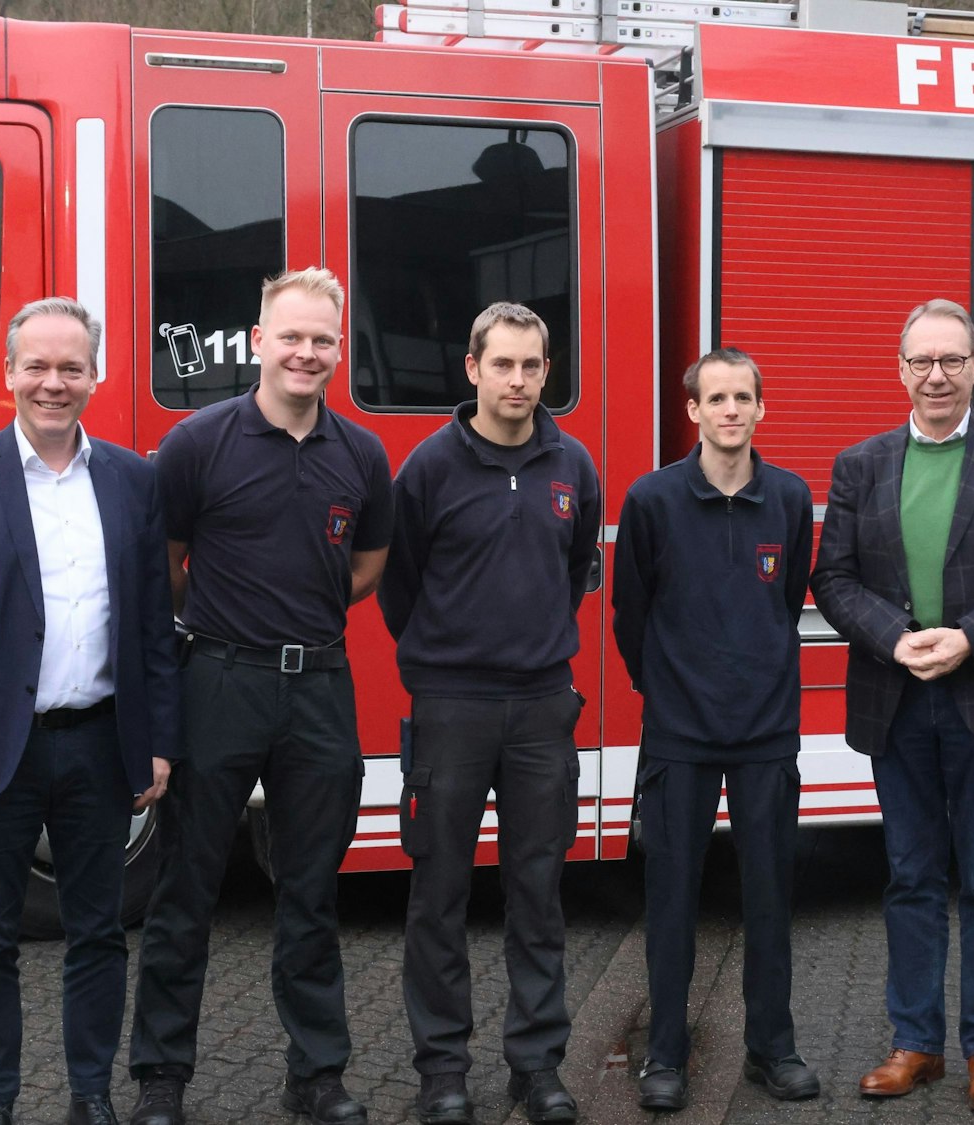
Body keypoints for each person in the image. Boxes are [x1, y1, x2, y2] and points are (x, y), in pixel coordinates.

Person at [0, 298, 180, 1125]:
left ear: (96, 375)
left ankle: (90, 1093)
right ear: (9, 372)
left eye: (71, 367)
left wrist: (157, 742)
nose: (54, 382)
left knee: (99, 934)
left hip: (98, 744)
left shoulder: (132, 478)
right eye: (38, 366)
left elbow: (154, 624)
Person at [129, 268, 393, 1125]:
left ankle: (316, 1075)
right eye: (291, 336)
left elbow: (367, 566)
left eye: (322, 339)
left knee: (312, 893)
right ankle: (162, 1076)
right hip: (219, 681)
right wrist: (222, 627)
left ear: (338, 349)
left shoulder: (361, 455)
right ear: (258, 340)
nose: (306, 352)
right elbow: (166, 564)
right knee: (185, 887)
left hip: (318, 685)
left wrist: (300, 622)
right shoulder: (198, 442)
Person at [809, 298, 974, 1115]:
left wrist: (971, 637)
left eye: (951, 360)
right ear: (900, 369)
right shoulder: (861, 463)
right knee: (911, 875)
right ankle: (915, 1042)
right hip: (897, 696)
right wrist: (895, 638)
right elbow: (833, 578)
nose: (936, 374)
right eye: (921, 361)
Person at [377, 302, 601, 1125]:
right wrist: (449, 654)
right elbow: (400, 587)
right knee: (437, 894)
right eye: (501, 364)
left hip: (543, 707)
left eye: (532, 366)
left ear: (548, 371)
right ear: (470, 368)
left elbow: (576, 567)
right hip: (452, 709)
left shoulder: (571, 465)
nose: (517, 380)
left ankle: (537, 1065)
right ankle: (442, 1071)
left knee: (538, 893)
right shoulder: (428, 469)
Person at [610, 349, 819, 1112]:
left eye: (744, 398)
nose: (731, 410)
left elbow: (786, 598)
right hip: (679, 736)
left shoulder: (790, 499)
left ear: (762, 409)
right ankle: (665, 1054)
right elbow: (630, 614)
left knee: (770, 898)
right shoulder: (652, 500)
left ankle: (774, 1048)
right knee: (671, 900)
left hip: (766, 734)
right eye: (716, 398)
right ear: (691, 411)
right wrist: (667, 689)